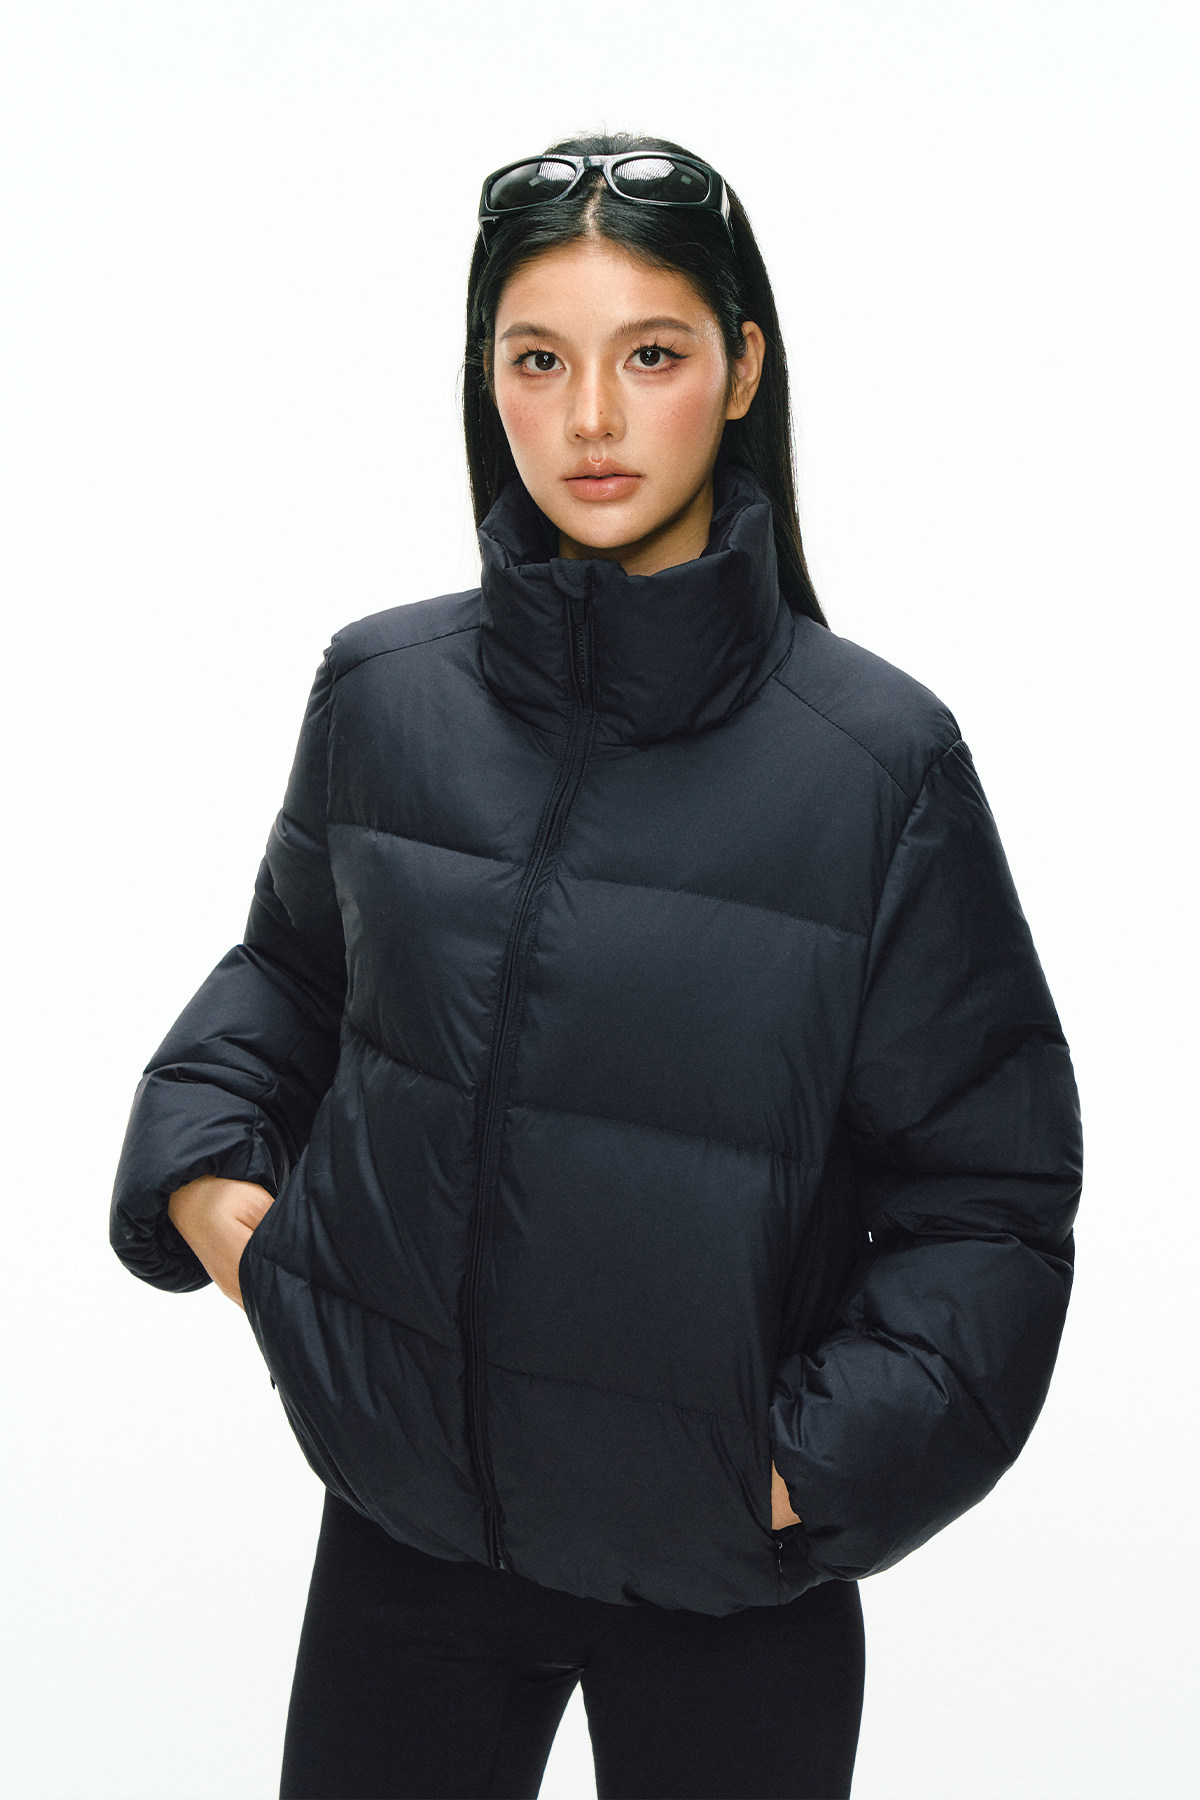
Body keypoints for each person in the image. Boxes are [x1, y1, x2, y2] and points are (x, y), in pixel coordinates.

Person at [109, 133, 1083, 1800]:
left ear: (743, 367)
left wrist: (794, 1474)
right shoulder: (385, 694)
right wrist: (228, 1218)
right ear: (484, 376)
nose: (590, 421)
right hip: (409, 1547)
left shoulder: (877, 765)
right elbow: (284, 990)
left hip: (723, 1585)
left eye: (651, 356)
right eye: (539, 361)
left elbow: (988, 1198)